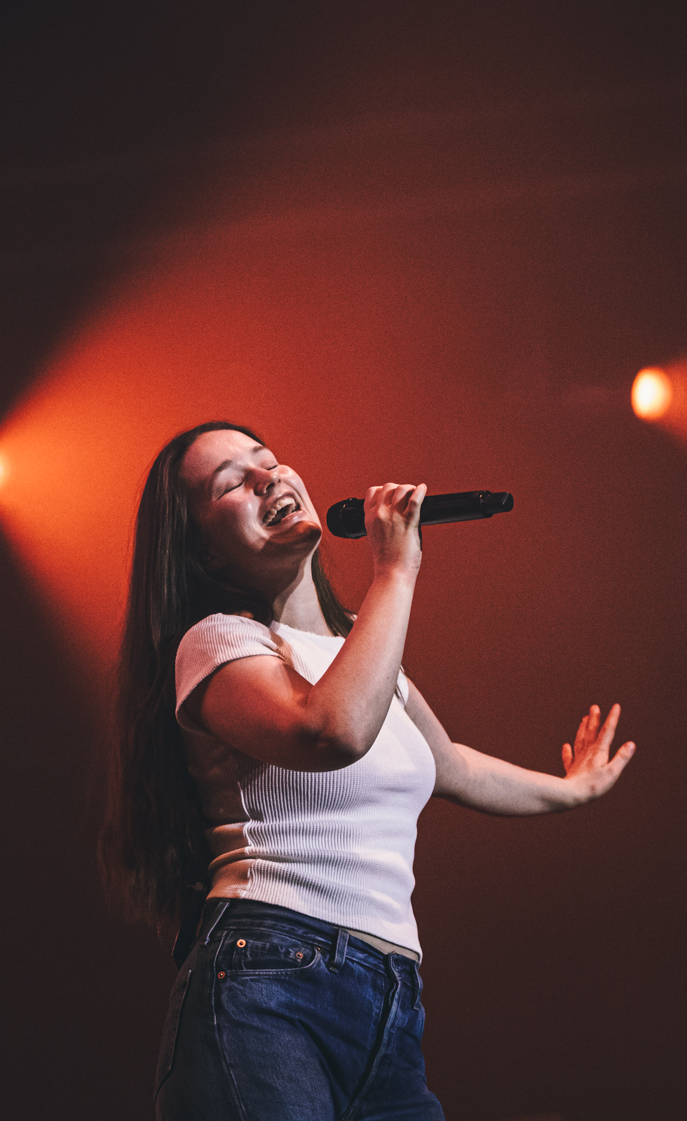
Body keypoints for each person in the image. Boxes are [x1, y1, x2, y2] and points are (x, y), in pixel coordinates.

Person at [101, 420, 636, 1121]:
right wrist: (396, 570)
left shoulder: (363, 651)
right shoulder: (218, 642)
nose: (270, 477)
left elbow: (450, 765)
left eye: (269, 460)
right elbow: (330, 732)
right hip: (268, 977)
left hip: (388, 998)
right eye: (233, 481)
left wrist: (573, 790)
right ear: (200, 547)